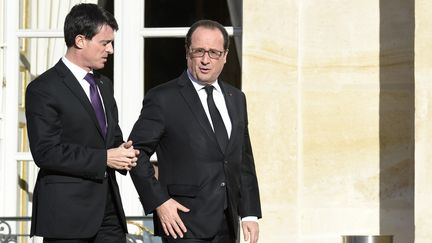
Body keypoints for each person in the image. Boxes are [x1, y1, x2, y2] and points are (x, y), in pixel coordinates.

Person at [128, 19, 262, 243]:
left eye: (214, 53)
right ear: (187, 53)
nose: (206, 60)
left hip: (227, 225)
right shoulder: (163, 98)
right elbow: (135, 154)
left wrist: (249, 213)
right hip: (182, 224)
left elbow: (243, 158)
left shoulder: (236, 98)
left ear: (225, 56)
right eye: (199, 51)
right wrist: (160, 202)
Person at [25, 3, 138, 243]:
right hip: (67, 217)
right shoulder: (43, 89)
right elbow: (46, 152)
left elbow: (112, 137)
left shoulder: (104, 85)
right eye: (105, 43)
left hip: (109, 215)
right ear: (80, 41)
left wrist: (127, 153)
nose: (111, 50)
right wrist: (105, 158)